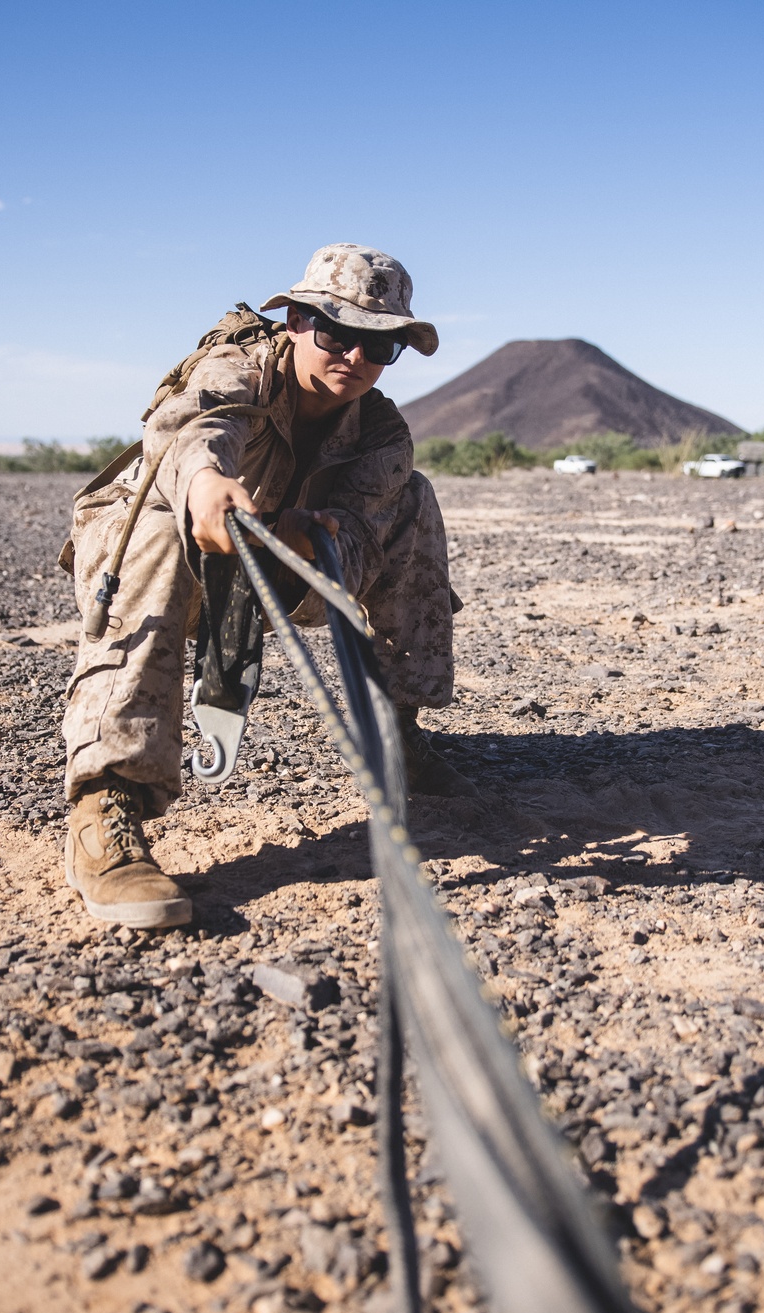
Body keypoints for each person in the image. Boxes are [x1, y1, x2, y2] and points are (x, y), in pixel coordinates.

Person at [60, 243, 476, 930]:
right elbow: (188, 427)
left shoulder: (379, 430)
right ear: (296, 323)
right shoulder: (234, 369)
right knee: (164, 532)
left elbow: (363, 523)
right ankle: (107, 809)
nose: (354, 357)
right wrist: (204, 487)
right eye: (337, 334)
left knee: (414, 499)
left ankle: (401, 728)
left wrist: (320, 533)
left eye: (380, 347)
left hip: (285, 564)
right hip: (167, 553)